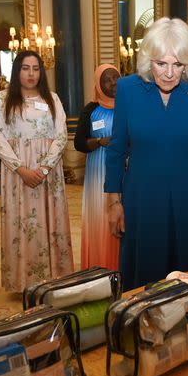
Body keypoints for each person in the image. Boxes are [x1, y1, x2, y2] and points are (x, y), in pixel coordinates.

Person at [105, 18, 188, 291]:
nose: (169, 73)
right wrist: (113, 203)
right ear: (148, 59)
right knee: (145, 279)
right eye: (161, 63)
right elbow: (117, 148)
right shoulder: (127, 89)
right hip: (142, 200)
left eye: (178, 64)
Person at [0, 50, 73, 293]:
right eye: (26, 68)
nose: (31, 73)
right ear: (17, 70)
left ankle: (55, 276)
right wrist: (21, 169)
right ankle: (23, 281)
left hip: (48, 172)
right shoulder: (1, 100)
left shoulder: (52, 99)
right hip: (17, 174)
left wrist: (45, 167)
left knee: (50, 220)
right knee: (23, 222)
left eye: (36, 68)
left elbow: (61, 135)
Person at [74, 64, 121, 271]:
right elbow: (79, 143)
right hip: (98, 171)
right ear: (98, 84)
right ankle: (100, 267)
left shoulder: (128, 106)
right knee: (100, 218)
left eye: (116, 78)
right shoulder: (90, 110)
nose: (113, 83)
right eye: (107, 80)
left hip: (124, 169)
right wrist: (99, 142)